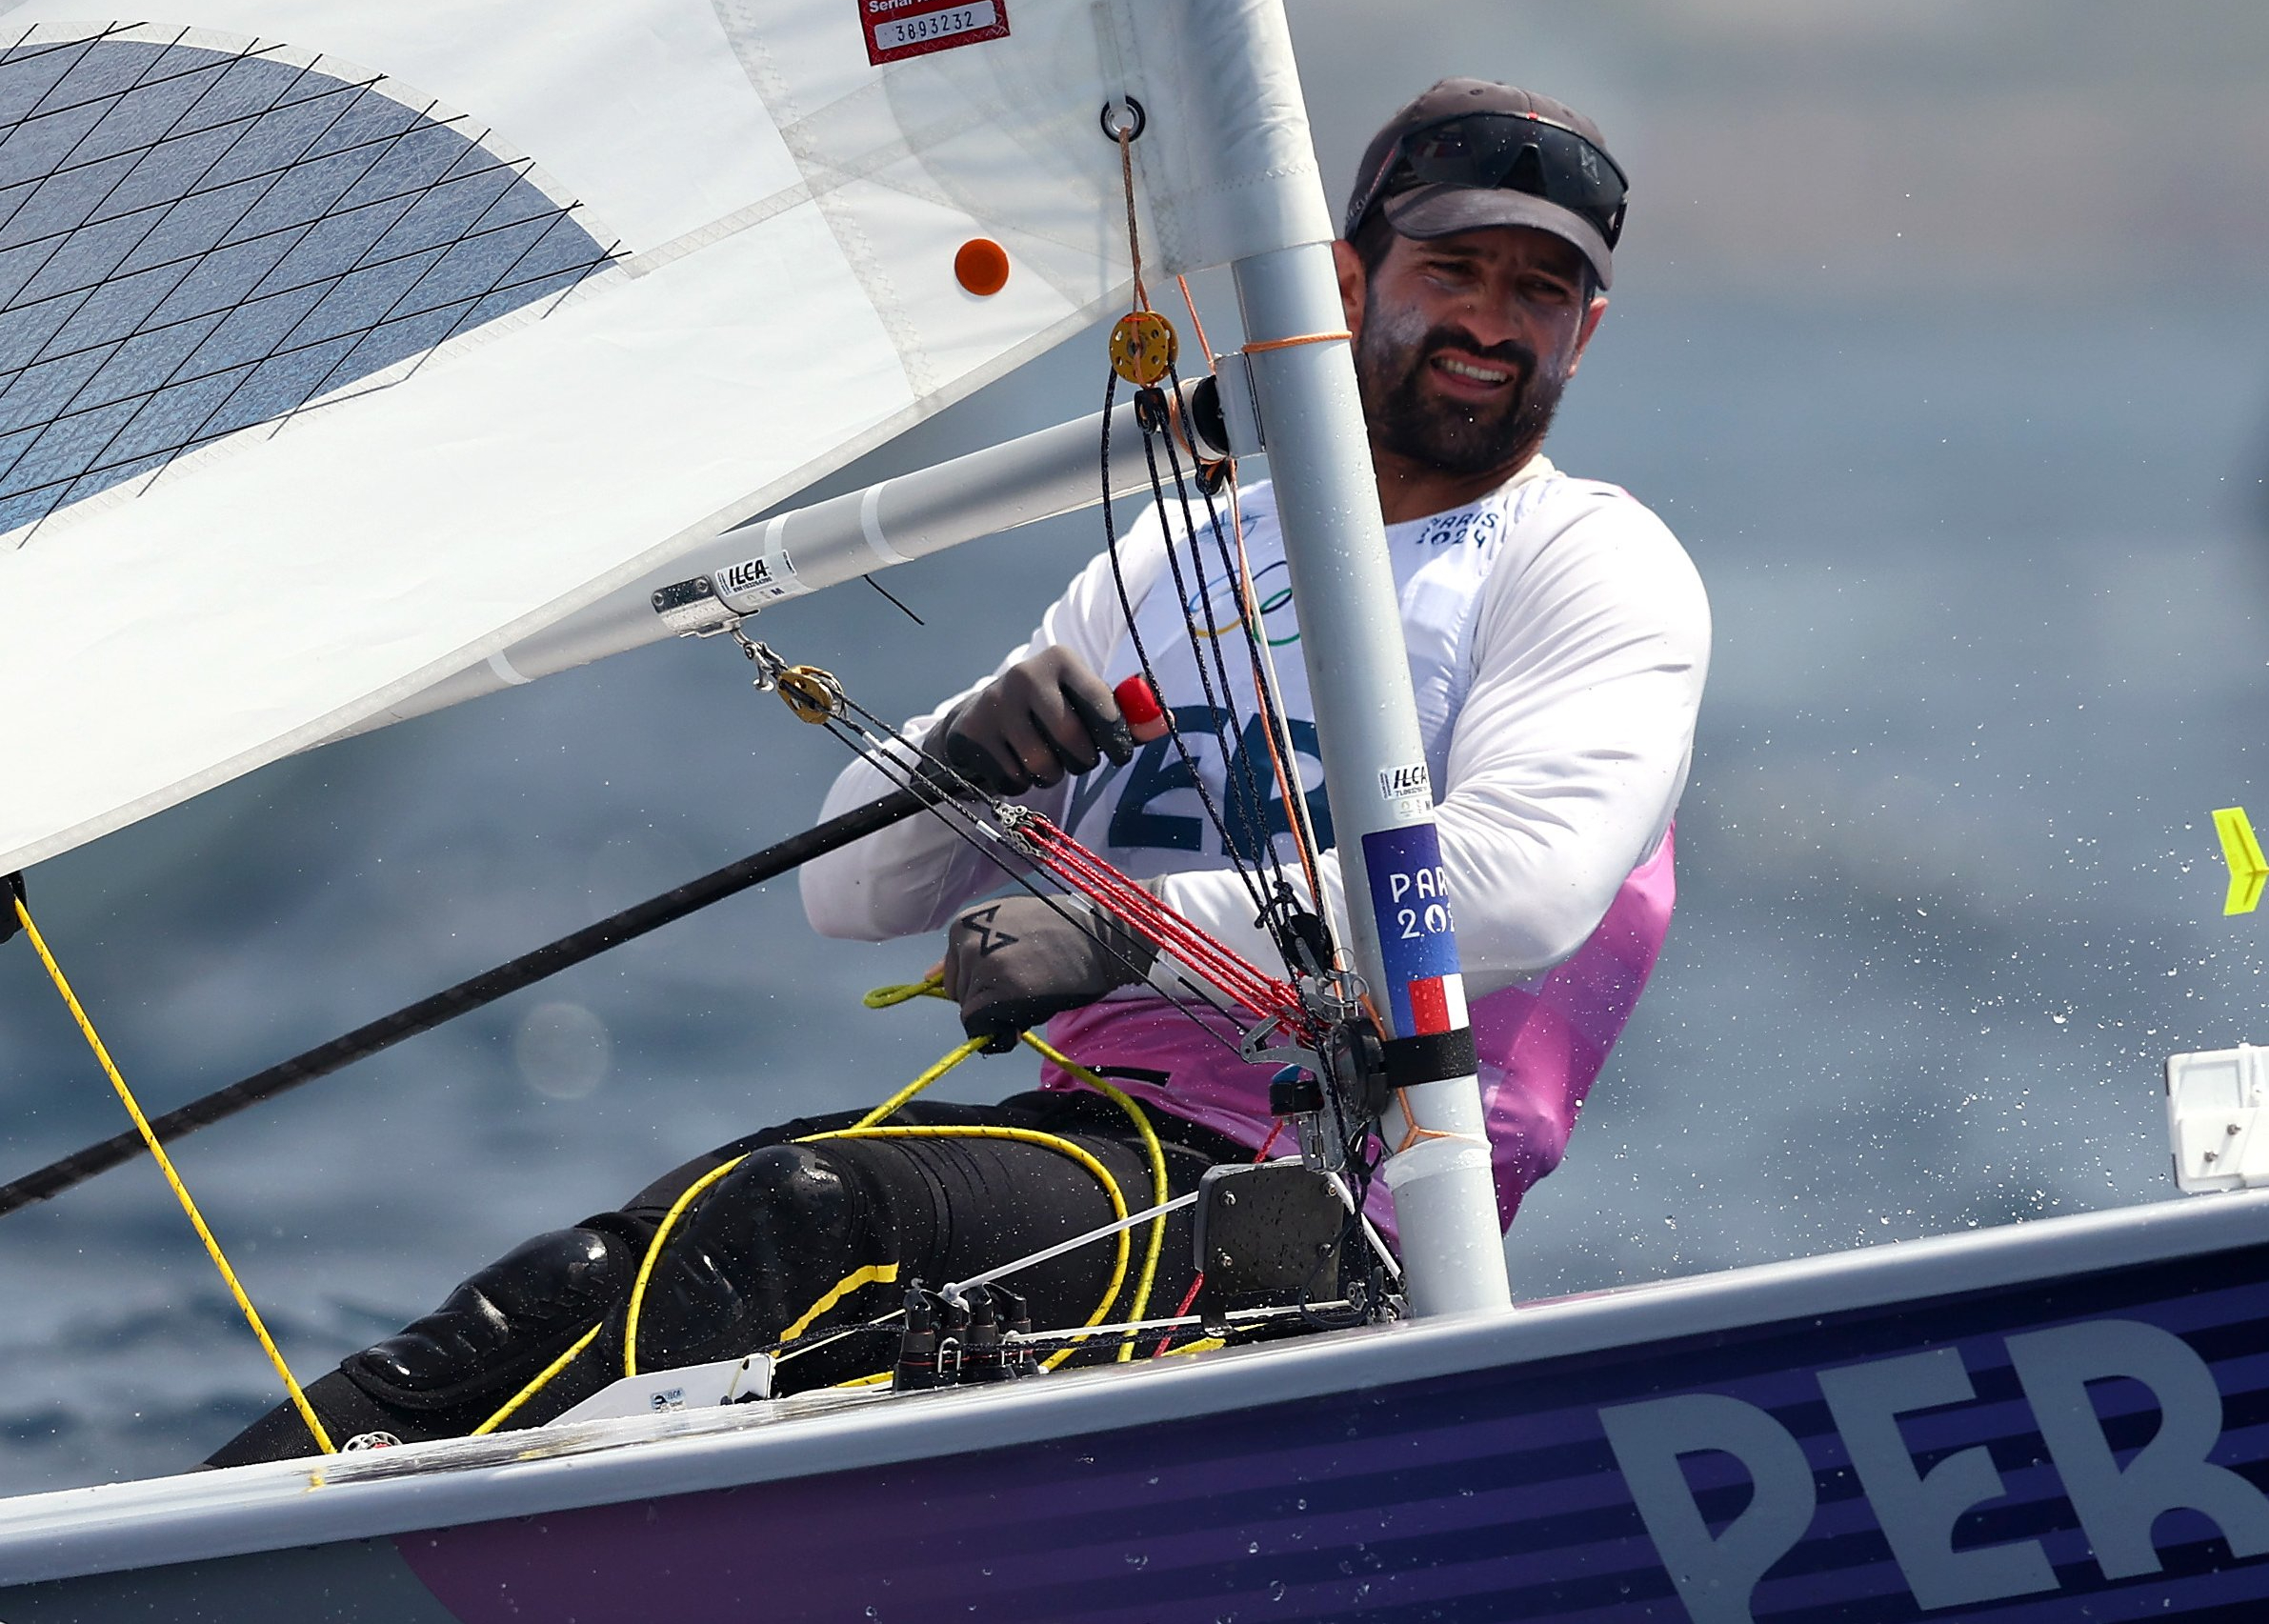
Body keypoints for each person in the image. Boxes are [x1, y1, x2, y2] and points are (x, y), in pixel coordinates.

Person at [209, 77, 1707, 1465]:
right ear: (1342, 281)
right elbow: (854, 894)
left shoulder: (1584, 563)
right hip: (1090, 1162)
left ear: (1584, 331)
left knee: (787, 1218)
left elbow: (1524, 889)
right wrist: (959, 754)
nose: (1493, 320)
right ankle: (136, 1572)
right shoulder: (1181, 558)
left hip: (1312, 1219)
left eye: (1542, 290)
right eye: (1454, 270)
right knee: (584, 1282)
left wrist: (1132, 930)